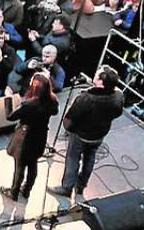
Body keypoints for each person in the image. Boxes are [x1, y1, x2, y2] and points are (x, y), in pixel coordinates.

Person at [49, 66, 124, 201]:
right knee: (90, 158)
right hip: (99, 134)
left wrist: (69, 129)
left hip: (81, 135)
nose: (94, 75)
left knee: (73, 158)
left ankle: (66, 187)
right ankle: (81, 186)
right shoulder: (118, 96)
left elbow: (70, 119)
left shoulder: (86, 98)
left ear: (101, 82)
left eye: (97, 75)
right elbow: (118, 112)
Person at [0, 73, 59, 201]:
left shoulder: (29, 105)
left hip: (25, 138)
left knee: (20, 166)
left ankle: (14, 192)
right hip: (40, 136)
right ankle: (26, 190)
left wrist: (8, 97)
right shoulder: (52, 101)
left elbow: (10, 116)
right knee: (33, 164)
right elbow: (55, 111)